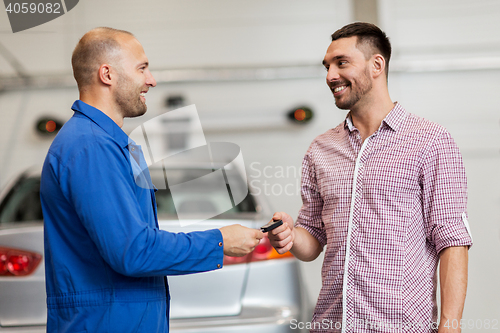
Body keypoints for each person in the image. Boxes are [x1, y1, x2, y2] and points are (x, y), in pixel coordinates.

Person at [40, 27, 263, 333]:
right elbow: (132, 252)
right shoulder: (91, 147)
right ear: (107, 74)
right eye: (142, 68)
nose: (151, 80)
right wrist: (220, 240)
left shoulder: (112, 145)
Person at [268, 22, 472, 333]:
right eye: (327, 66)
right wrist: (291, 236)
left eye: (342, 63)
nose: (330, 76)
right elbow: (312, 239)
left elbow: (452, 241)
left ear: (376, 65)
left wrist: (450, 325)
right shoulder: (320, 149)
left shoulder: (431, 141)